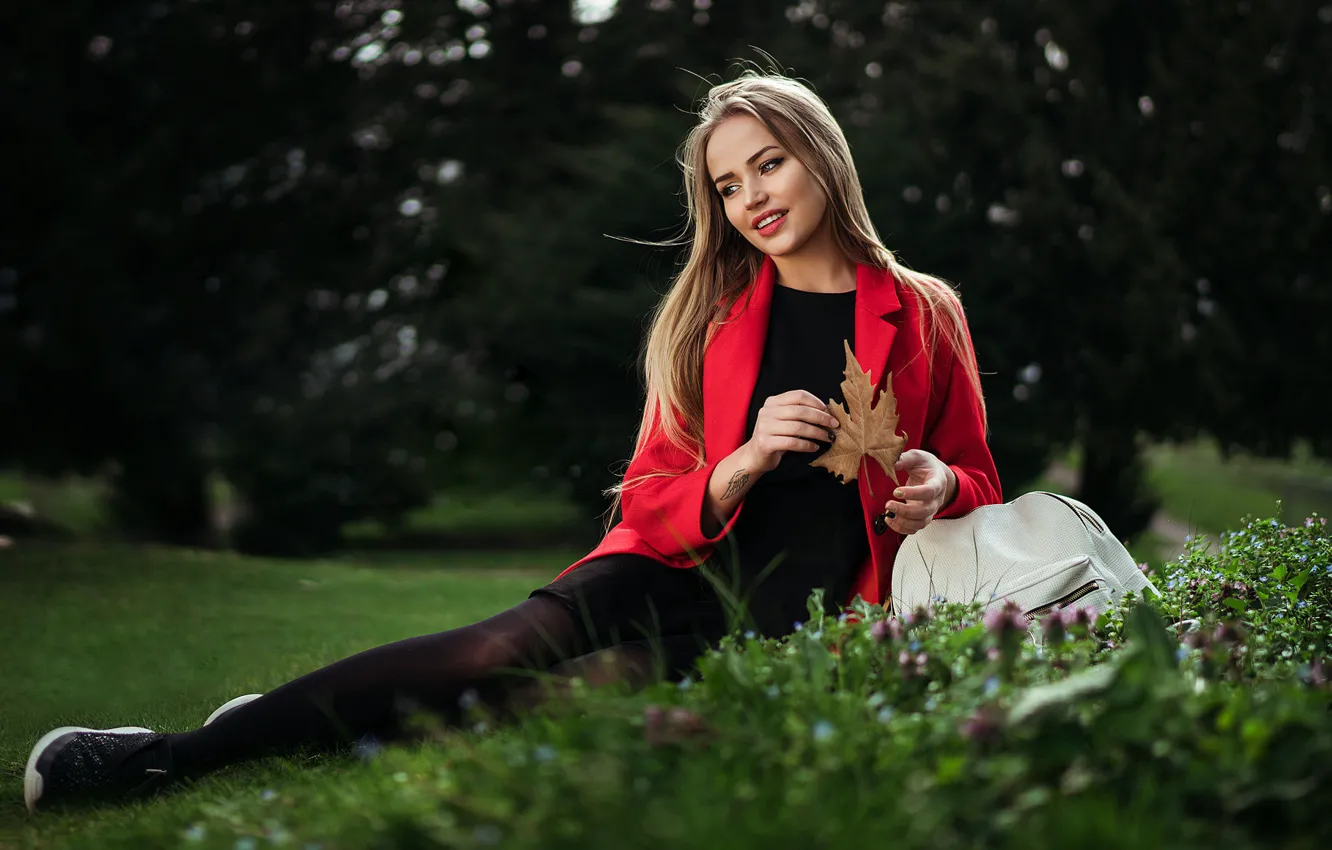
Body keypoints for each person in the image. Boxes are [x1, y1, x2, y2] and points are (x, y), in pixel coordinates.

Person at [22, 71, 1001, 812]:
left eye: (769, 163)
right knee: (500, 647)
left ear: (822, 155)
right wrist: (738, 462)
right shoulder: (708, 316)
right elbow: (651, 492)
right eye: (729, 182)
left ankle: (286, 721)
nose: (752, 195)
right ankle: (168, 755)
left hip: (805, 613)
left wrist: (936, 481)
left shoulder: (924, 311)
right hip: (679, 565)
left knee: (555, 705)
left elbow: (979, 478)